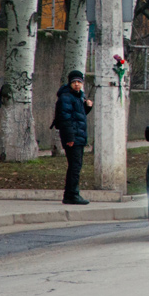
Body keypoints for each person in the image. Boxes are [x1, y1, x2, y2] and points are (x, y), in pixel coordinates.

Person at [52, 70, 93, 205]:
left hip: (78, 136)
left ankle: (71, 193)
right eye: (74, 82)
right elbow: (65, 119)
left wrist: (87, 108)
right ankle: (72, 194)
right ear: (70, 83)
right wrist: (70, 138)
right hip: (73, 137)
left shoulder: (78, 96)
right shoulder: (66, 97)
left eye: (79, 82)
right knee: (75, 166)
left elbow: (78, 116)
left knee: (76, 166)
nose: (77, 84)